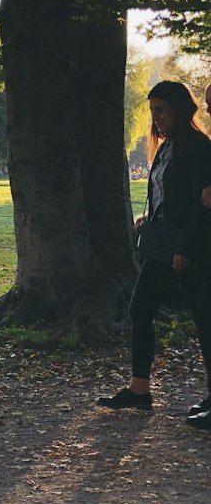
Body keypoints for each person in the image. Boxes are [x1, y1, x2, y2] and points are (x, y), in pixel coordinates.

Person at [98, 81, 211, 423]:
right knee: (141, 307)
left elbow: (201, 207)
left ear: (179, 108)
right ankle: (139, 389)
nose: (155, 118)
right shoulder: (167, 147)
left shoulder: (197, 147)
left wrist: (185, 249)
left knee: (205, 318)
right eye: (152, 111)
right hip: (163, 244)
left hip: (188, 247)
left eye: (161, 109)